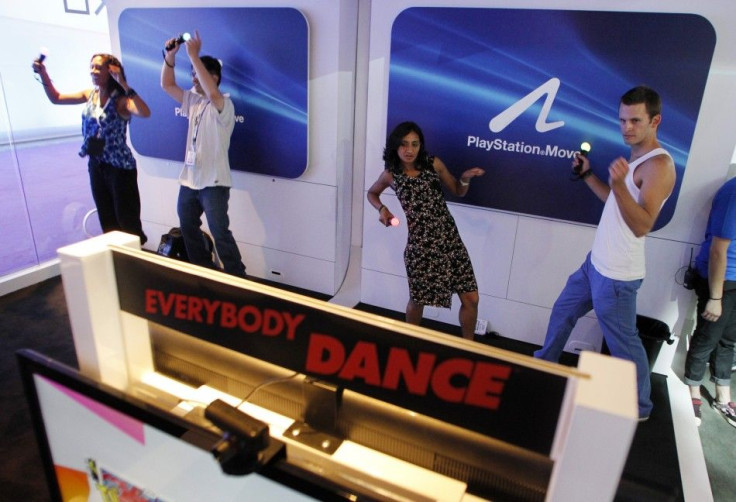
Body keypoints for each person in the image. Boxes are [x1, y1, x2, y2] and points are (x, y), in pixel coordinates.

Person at [533, 86, 676, 421]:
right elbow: (616, 205)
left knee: (624, 343)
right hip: (596, 263)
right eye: (622, 120)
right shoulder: (634, 160)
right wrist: (588, 176)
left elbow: (642, 224)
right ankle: (544, 366)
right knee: (562, 310)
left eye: (635, 120)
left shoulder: (658, 166)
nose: (626, 127)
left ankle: (640, 407)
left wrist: (618, 186)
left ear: (655, 121)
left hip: (617, 275)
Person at [367, 121, 485, 339]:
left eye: (414, 144)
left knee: (471, 299)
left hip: (450, 242)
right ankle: (410, 342)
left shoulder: (434, 164)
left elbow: (458, 191)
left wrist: (465, 178)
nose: (409, 150)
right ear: (395, 146)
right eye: (404, 144)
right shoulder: (391, 175)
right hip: (421, 246)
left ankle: (469, 348)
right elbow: (372, 194)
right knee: (418, 300)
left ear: (420, 146)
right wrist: (382, 209)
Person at [32, 53, 150, 245]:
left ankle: (136, 266)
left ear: (111, 71)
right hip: (96, 165)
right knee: (108, 224)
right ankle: (117, 266)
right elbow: (57, 98)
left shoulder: (121, 100)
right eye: (92, 67)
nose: (93, 71)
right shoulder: (90, 94)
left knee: (128, 225)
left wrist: (124, 84)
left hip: (120, 169)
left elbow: (145, 112)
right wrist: (43, 74)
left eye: (99, 67)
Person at [160, 31, 246, 278]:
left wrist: (194, 56)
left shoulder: (223, 103)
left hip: (214, 182)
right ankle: (203, 274)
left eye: (197, 75)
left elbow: (214, 94)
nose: (193, 79)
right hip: (189, 180)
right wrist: (170, 57)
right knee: (188, 227)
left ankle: (238, 279)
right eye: (192, 74)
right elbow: (166, 85)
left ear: (214, 77)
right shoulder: (193, 100)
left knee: (220, 232)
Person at [684, 176, 736, 427]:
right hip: (721, 279)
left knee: (728, 339)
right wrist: (715, 297)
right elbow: (718, 250)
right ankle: (692, 392)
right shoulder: (733, 192)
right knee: (707, 337)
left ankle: (723, 396)